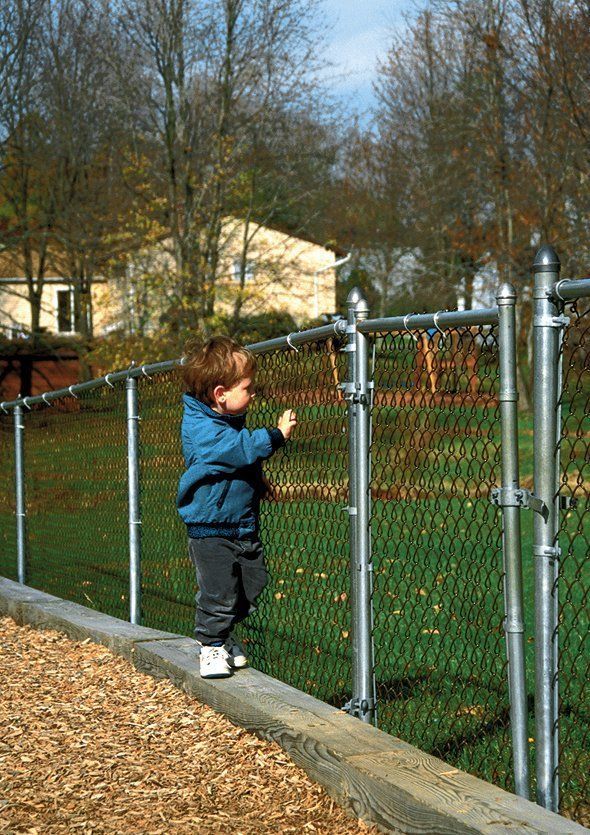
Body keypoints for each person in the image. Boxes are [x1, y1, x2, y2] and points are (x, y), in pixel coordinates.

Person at [176, 335, 297, 678]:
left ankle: (224, 635)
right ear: (220, 394)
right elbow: (237, 450)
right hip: (211, 527)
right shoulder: (202, 427)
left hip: (242, 523)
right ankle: (211, 647)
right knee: (218, 591)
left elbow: (238, 465)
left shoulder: (227, 422)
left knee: (252, 583)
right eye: (248, 387)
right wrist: (275, 436)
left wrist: (260, 485)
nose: (253, 392)